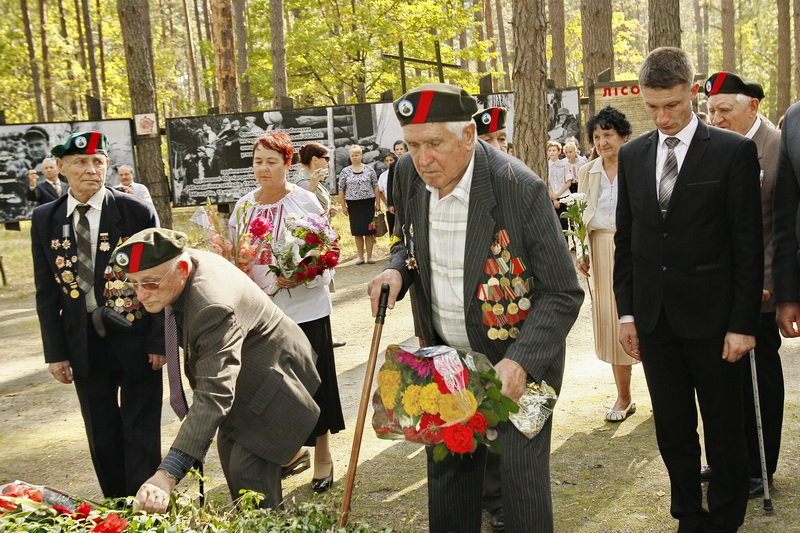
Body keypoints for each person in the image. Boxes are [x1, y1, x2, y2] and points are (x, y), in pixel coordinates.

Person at [367, 83, 583, 533]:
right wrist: (396, 273)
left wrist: (521, 362)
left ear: (468, 135)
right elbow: (406, 243)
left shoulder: (519, 188)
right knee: (449, 480)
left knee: (520, 484)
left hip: (519, 364)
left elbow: (562, 291)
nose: (423, 159)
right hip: (444, 363)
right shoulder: (407, 174)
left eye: (434, 144)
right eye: (412, 144)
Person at [614, 48, 763, 533]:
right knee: (673, 429)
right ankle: (688, 517)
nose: (662, 117)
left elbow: (748, 246)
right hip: (655, 321)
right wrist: (627, 314)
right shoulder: (634, 154)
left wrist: (742, 325)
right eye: (652, 107)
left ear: (692, 94)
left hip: (715, 323)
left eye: (672, 106)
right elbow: (627, 239)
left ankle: (724, 520)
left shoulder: (731, 151)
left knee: (724, 431)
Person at [113, 228, 321, 512]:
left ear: (182, 269)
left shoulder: (211, 305)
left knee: (247, 474)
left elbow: (214, 394)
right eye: (133, 283)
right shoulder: (181, 265)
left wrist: (168, 473)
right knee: (233, 463)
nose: (141, 294)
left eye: (150, 283)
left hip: (274, 376)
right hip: (243, 370)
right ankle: (285, 460)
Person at [30, 131, 165, 498]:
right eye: (80, 163)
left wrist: (159, 340)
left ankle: (146, 504)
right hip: (83, 343)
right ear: (60, 167)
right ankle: (117, 505)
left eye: (98, 162)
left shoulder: (134, 211)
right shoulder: (46, 218)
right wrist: (55, 353)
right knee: (101, 431)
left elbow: (159, 276)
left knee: (141, 429)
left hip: (136, 337)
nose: (91, 170)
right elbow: (46, 292)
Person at [229, 132, 345, 493]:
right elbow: (234, 258)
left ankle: (323, 455)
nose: (263, 169)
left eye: (271, 162)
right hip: (260, 316)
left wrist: (300, 276)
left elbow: (328, 258)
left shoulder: (306, 202)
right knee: (272, 388)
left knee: (314, 384)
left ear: (288, 164)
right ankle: (289, 451)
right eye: (257, 161)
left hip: (305, 310)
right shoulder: (244, 207)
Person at [704, 71, 783, 498]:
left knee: (761, 380)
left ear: (751, 106)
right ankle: (725, 460)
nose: (715, 118)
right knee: (721, 380)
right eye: (711, 110)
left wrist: (769, 282)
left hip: (761, 293)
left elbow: (781, 223)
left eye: (724, 110)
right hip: (719, 288)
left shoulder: (775, 146)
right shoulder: (715, 146)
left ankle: (760, 467)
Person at [574, 107, 636, 422]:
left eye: (608, 135)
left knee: (646, 317)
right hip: (600, 249)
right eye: (597, 137)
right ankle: (624, 397)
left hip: (637, 250)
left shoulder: (638, 165)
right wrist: (582, 251)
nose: (602, 142)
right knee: (613, 324)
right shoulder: (587, 172)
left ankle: (664, 393)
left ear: (624, 136)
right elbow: (581, 217)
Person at [337, 145, 380, 264]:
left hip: (368, 203)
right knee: (357, 231)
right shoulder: (345, 171)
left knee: (369, 231)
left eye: (357, 155)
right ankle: (360, 257)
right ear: (350, 157)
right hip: (353, 205)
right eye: (352, 155)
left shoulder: (369, 169)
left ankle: (370, 256)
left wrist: (377, 202)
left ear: (361, 156)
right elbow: (341, 190)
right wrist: (343, 206)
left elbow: (375, 186)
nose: (355, 157)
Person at [297, 142, 335, 218]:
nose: (329, 163)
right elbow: (304, 207)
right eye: (327, 159)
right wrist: (313, 185)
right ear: (315, 159)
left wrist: (328, 210)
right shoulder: (303, 182)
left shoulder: (312, 179)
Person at [385, 140, 408, 234]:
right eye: (397, 149)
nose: (399, 151)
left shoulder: (413, 162)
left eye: (401, 149)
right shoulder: (393, 166)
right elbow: (389, 185)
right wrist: (390, 203)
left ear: (406, 149)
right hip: (398, 199)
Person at [377, 152, 396, 233]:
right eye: (387, 161)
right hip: (390, 206)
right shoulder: (383, 176)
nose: (389, 162)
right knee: (392, 228)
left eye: (391, 160)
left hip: (400, 205)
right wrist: (386, 203)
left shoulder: (399, 172)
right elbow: (380, 190)